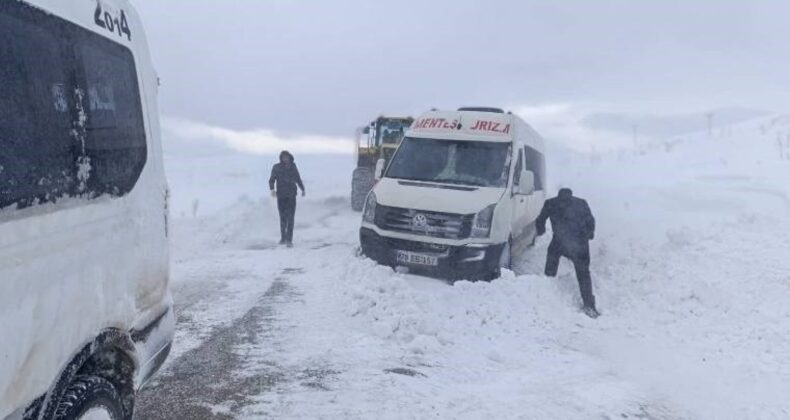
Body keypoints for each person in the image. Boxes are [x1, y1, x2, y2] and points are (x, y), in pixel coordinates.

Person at [536, 188, 599, 318]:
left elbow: (540, 219)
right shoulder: (581, 203)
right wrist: (589, 234)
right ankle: (589, 305)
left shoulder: (551, 203)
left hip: (560, 241)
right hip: (579, 243)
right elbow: (591, 221)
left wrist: (540, 230)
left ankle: (546, 290)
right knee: (583, 273)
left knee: (552, 260)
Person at [269, 151, 305, 247]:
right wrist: (272, 189)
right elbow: (272, 179)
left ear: (290, 158)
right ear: (281, 158)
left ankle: (289, 240)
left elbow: (298, 178)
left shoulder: (293, 167)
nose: (285, 159)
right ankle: (283, 238)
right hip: (281, 196)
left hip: (291, 196)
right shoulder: (276, 167)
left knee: (290, 218)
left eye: (287, 157)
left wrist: (303, 189)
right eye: (283, 157)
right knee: (283, 218)